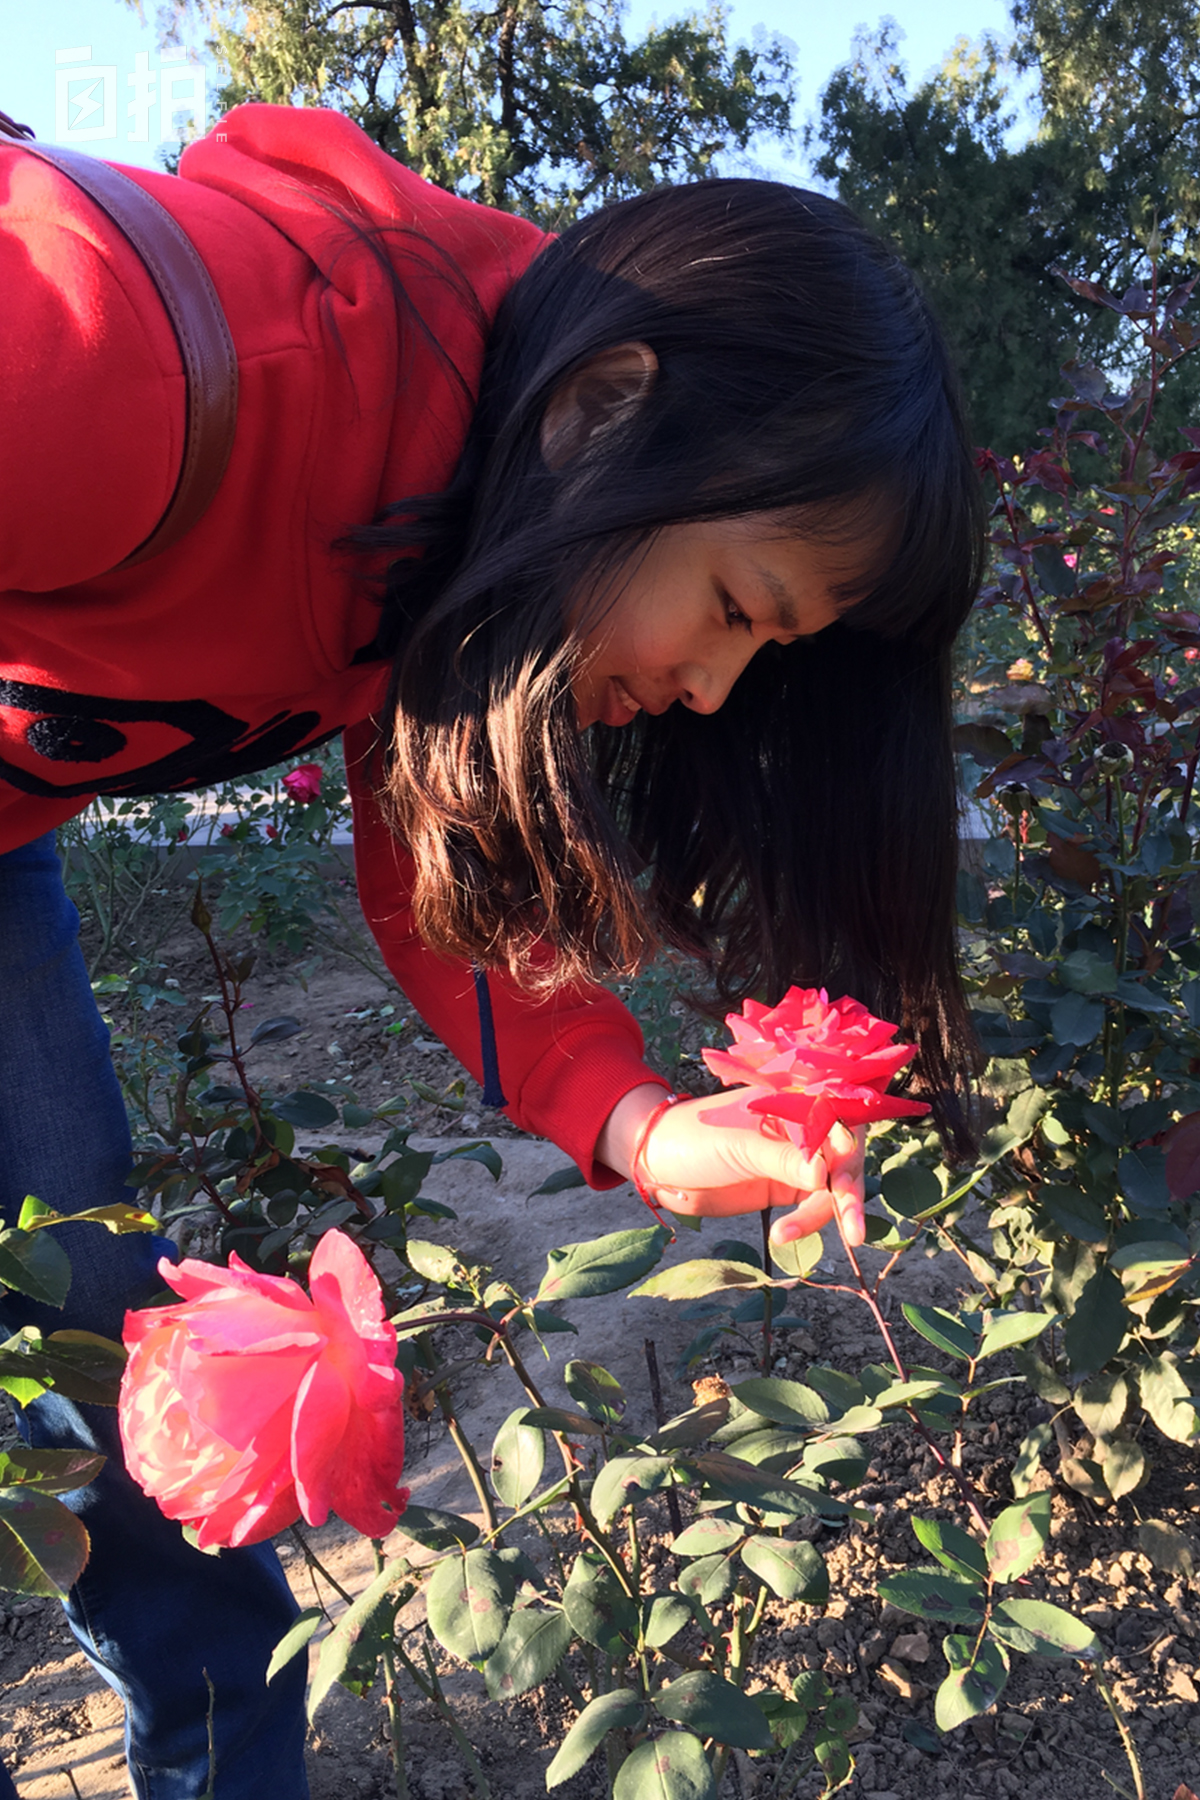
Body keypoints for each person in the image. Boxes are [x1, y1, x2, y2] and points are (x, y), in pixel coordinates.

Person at [0, 101, 980, 1798]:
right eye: (740, 609)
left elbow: (438, 886)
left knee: (85, 1356)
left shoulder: (446, 524)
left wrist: (641, 1124)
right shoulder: (123, 363)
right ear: (607, 413)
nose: (712, 691)